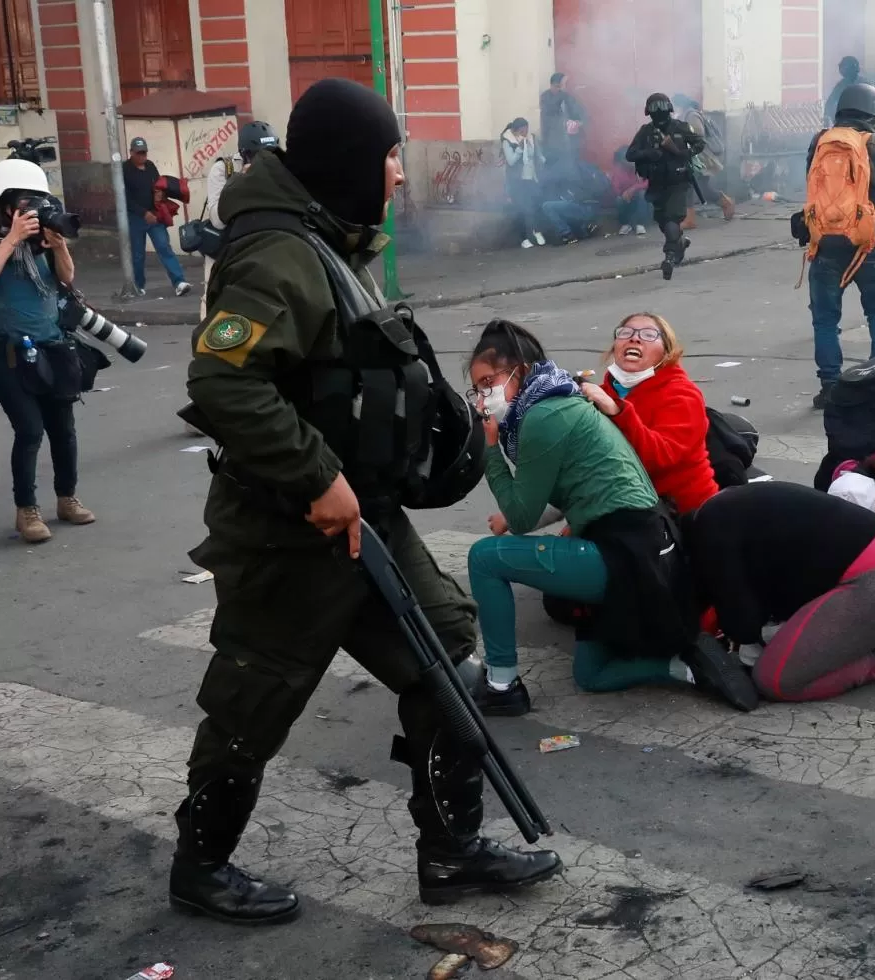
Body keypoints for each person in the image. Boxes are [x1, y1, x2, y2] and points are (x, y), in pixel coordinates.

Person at [174, 77, 561, 927]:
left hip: (365, 522)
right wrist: (317, 480)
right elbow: (225, 382)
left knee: (449, 666)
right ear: (351, 160)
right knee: (253, 705)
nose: (396, 173)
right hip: (289, 535)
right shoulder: (279, 253)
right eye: (390, 155)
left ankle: (451, 851)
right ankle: (200, 867)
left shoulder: (328, 239)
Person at [464, 318, 757, 714]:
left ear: (521, 370)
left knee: (485, 558)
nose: (484, 397)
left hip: (627, 550)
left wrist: (491, 449)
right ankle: (687, 667)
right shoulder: (559, 399)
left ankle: (502, 685)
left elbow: (519, 515)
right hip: (642, 545)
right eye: (478, 388)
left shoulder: (543, 417)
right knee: (592, 674)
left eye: (488, 382)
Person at [684, 482, 875, 702]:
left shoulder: (711, 536)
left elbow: (743, 626)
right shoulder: (719, 510)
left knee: (776, 680)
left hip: (874, 581)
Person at [0, 157, 93, 544]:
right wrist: (11, 239)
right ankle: (26, 511)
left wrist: (60, 245)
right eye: (22, 204)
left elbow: (65, 278)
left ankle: (67, 498)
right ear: (1, 205)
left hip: (50, 343)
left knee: (63, 429)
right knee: (30, 428)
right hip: (2, 349)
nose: (29, 212)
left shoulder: (41, 239)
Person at [802, 82, 875, 410]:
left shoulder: (820, 140)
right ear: (874, 111)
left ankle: (830, 386)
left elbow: (810, 178)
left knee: (824, 319)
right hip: (870, 244)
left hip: (825, 244)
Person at [584, 312, 719, 514]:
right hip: (623, 506)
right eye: (625, 332)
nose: (634, 338)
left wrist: (616, 411)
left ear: (666, 352)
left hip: (685, 514)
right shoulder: (605, 391)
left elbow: (658, 458)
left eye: (648, 335)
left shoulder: (683, 394)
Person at [202, 120, 279, 320]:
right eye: (260, 156)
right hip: (225, 249)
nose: (265, 161)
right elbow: (218, 219)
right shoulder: (223, 169)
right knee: (214, 298)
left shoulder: (275, 168)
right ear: (246, 154)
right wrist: (242, 182)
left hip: (259, 245)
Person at [626, 93, 705, 280]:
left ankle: (669, 257)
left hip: (678, 183)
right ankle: (680, 242)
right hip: (656, 184)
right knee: (662, 220)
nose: (659, 113)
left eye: (661, 109)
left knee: (672, 219)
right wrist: (649, 153)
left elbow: (700, 143)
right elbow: (631, 154)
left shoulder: (680, 127)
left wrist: (684, 153)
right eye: (655, 110)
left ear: (669, 109)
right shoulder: (645, 131)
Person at [123, 137, 191, 297]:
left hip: (155, 214)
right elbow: (125, 198)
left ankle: (179, 281)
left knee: (164, 247)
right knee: (138, 254)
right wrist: (143, 213)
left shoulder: (150, 166)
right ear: (131, 152)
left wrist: (160, 194)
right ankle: (138, 285)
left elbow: (159, 184)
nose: (142, 156)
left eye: (144, 153)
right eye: (138, 153)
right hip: (136, 218)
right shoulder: (125, 169)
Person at [673, 93, 736, 225]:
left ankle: (689, 219)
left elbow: (698, 133)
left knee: (689, 186)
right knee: (703, 189)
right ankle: (726, 202)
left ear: (680, 104)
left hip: (700, 158)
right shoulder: (688, 114)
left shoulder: (691, 115)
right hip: (696, 157)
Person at [539, 155, 609, 245]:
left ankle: (567, 234)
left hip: (585, 207)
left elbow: (583, 194)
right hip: (590, 207)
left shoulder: (577, 173)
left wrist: (572, 197)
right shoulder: (582, 170)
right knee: (560, 207)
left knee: (547, 206)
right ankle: (586, 227)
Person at [501, 118, 547, 249]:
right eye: (522, 130)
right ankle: (524, 238)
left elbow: (537, 155)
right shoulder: (508, 141)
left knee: (535, 205)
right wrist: (519, 149)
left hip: (531, 178)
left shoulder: (531, 138)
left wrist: (544, 160)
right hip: (517, 181)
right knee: (522, 209)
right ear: (516, 130)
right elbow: (511, 161)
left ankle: (536, 231)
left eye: (527, 129)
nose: (525, 132)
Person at [539, 72, 585, 165]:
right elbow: (548, 117)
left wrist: (578, 122)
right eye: (558, 86)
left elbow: (578, 112)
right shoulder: (545, 97)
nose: (561, 88)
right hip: (552, 141)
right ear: (553, 85)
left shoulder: (566, 96)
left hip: (568, 141)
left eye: (562, 86)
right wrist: (564, 123)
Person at [610, 146, 651, 235]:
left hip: (640, 198)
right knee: (618, 200)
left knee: (642, 194)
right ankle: (625, 224)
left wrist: (633, 189)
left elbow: (648, 182)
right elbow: (615, 188)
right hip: (626, 198)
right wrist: (623, 194)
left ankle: (640, 224)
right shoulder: (618, 170)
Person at [823, 56, 872, 125]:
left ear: (852, 68)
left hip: (862, 122)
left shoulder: (864, 84)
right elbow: (830, 103)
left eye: (844, 66)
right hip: (845, 122)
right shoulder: (841, 84)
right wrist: (828, 117)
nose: (842, 69)